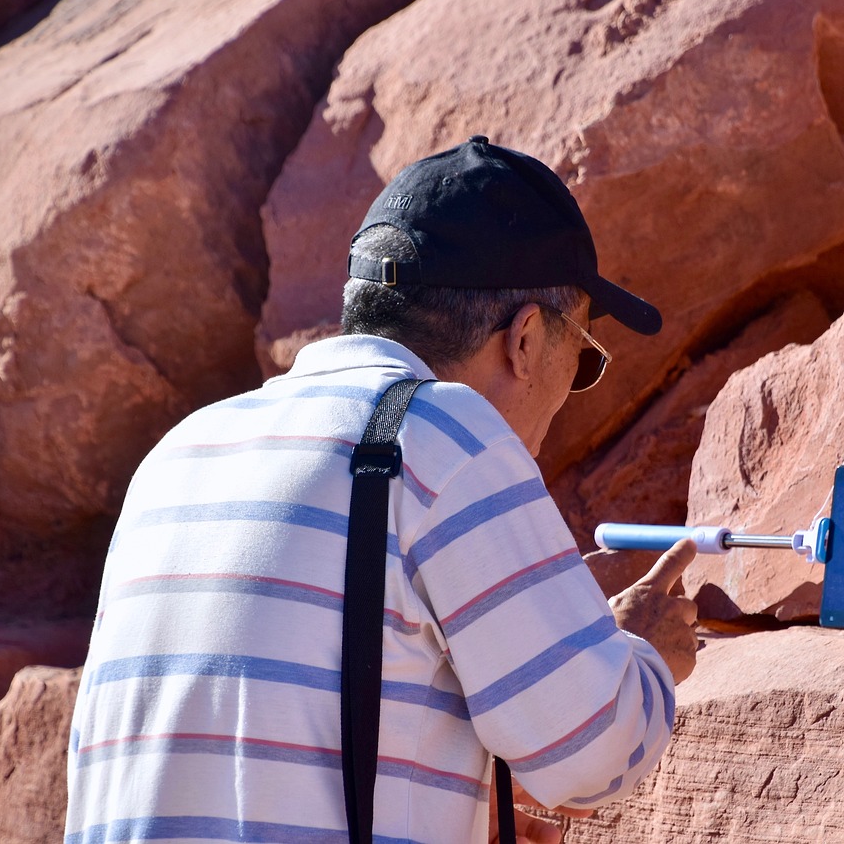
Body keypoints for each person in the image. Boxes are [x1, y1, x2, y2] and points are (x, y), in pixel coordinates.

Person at [64, 135, 699, 844]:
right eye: (582, 355)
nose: (571, 392)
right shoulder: (445, 434)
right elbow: (590, 753)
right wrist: (645, 656)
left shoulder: (179, 454)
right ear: (524, 340)